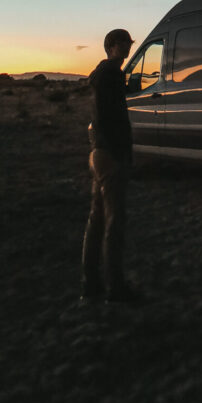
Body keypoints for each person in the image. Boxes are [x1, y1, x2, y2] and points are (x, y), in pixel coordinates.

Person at [80, 28, 140, 304]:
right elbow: (111, 118)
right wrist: (121, 155)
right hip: (110, 155)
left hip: (99, 153)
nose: (128, 48)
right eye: (124, 44)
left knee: (97, 220)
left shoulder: (103, 74)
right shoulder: (112, 74)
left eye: (129, 44)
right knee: (114, 223)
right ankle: (115, 289)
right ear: (112, 46)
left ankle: (91, 286)